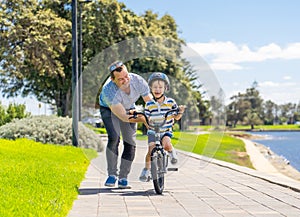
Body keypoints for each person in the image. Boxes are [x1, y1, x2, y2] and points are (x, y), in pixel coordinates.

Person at [99, 61, 152, 189]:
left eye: (126, 76)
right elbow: (123, 116)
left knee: (130, 142)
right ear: (113, 80)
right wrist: (144, 120)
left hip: (129, 107)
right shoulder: (108, 90)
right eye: (120, 79)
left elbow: (150, 102)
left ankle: (123, 177)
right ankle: (112, 175)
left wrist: (155, 115)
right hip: (109, 109)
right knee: (114, 138)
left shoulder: (137, 81)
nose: (125, 80)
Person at [139, 72, 185, 182]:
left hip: (165, 130)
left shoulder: (170, 102)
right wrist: (146, 120)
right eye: (155, 87)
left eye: (160, 87)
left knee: (166, 144)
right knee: (150, 150)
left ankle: (172, 152)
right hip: (153, 131)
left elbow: (176, 117)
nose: (157, 89)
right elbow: (147, 117)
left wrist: (180, 112)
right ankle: (146, 170)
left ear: (165, 88)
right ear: (150, 88)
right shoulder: (149, 104)